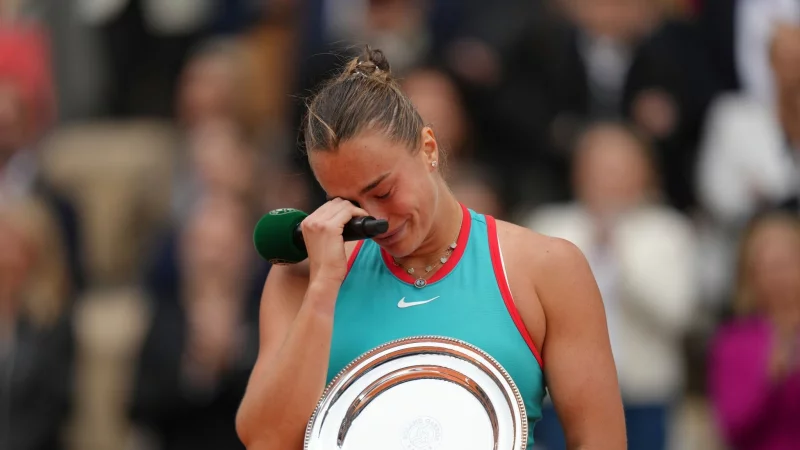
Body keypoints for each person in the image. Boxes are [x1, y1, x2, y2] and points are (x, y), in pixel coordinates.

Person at [235, 46, 626, 450]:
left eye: (383, 191)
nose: (373, 219)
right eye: (347, 203)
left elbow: (600, 441)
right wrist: (323, 288)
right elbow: (267, 439)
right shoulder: (303, 274)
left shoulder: (546, 268)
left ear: (429, 149)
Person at [708, 212, 800, 450]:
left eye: (787, 263)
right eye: (768, 267)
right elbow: (732, 426)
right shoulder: (734, 341)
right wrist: (771, 380)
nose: (780, 277)